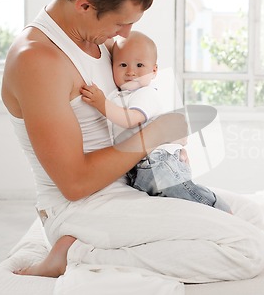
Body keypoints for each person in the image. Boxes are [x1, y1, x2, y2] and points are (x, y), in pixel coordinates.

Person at [1, 0, 264, 281]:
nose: (125, 35)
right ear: (85, 4)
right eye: (121, 23)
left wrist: (169, 146)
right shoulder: (38, 60)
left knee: (254, 217)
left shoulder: (100, 39)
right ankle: (75, 252)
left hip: (132, 185)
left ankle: (108, 248)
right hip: (83, 208)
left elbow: (140, 93)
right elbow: (74, 185)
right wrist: (152, 135)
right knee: (247, 249)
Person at [80, 31, 231, 213]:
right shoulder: (119, 95)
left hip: (158, 161)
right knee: (169, 207)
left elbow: (131, 120)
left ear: (154, 71)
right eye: (122, 65)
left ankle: (218, 208)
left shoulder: (145, 94)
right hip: (137, 167)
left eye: (139, 65)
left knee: (182, 192)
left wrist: (101, 103)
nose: (130, 72)